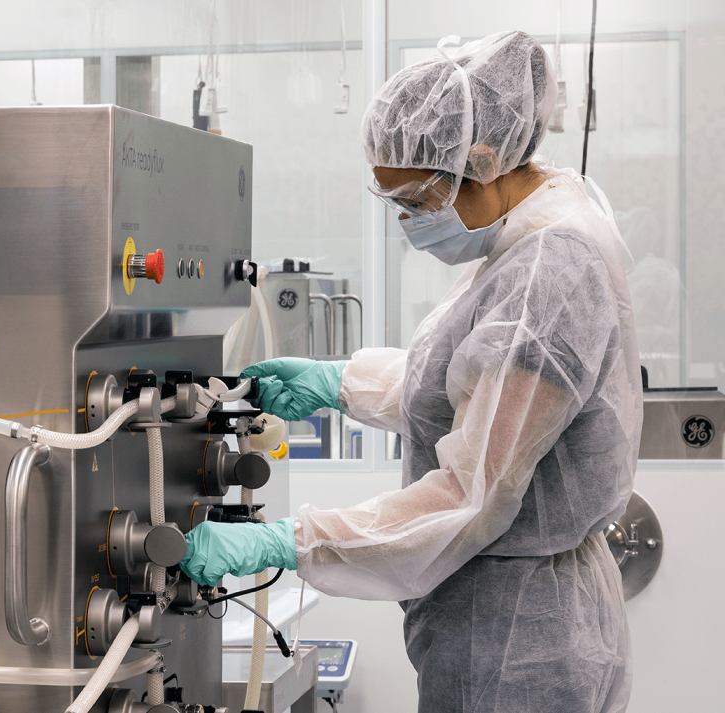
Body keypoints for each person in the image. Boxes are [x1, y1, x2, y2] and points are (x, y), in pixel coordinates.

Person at [181, 30, 642, 713]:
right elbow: (479, 392)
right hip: (508, 622)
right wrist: (336, 383)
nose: (410, 223)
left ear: (481, 161)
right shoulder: (530, 231)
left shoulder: (551, 268)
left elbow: (469, 491)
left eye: (419, 203)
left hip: (518, 644)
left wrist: (290, 540)